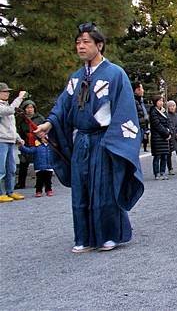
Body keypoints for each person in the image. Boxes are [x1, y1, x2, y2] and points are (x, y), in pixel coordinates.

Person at [34, 23, 144, 253]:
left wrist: (116, 143)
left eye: (86, 42)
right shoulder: (75, 78)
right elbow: (63, 105)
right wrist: (48, 124)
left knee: (104, 188)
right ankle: (83, 237)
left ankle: (109, 235)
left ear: (99, 45)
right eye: (78, 42)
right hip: (81, 140)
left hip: (105, 139)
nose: (81, 46)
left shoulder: (115, 74)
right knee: (81, 188)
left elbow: (125, 110)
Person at [0, 83, 26, 202]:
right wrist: (19, 98)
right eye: (5, 91)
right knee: (1, 169)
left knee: (11, 168)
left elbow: (11, 126)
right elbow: (10, 111)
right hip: (1, 141)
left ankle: (10, 191)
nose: (7, 93)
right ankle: (0, 193)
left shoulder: (6, 105)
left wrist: (18, 138)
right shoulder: (3, 107)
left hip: (9, 140)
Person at [16, 99, 45, 189]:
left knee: (40, 164)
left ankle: (41, 182)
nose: (30, 109)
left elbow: (44, 131)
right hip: (26, 143)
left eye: (31, 107)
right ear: (24, 109)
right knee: (23, 164)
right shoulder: (22, 120)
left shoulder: (40, 118)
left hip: (38, 143)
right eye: (28, 108)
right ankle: (21, 183)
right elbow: (20, 131)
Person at [149, 95, 172, 180]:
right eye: (159, 101)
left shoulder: (164, 111)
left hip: (165, 137)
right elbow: (157, 124)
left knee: (164, 156)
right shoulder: (153, 112)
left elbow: (168, 122)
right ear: (155, 102)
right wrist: (166, 133)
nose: (161, 102)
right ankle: (156, 173)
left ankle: (163, 172)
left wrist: (170, 132)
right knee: (157, 156)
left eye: (162, 101)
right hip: (157, 137)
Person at [133, 82, 150, 152]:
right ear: (137, 90)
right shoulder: (133, 101)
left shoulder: (140, 101)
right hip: (137, 128)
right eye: (141, 88)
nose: (143, 90)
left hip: (142, 128)